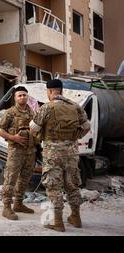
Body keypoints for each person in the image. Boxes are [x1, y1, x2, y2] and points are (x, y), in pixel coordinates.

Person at [30, 79, 90, 232]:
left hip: (52, 153)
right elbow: (86, 127)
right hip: (71, 153)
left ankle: (58, 222)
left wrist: (40, 137)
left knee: (54, 185)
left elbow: (33, 127)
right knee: (72, 184)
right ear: (61, 90)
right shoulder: (75, 106)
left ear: (50, 92)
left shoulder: (47, 107)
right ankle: (76, 217)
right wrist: (74, 137)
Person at [0, 86, 37, 220]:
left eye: (25, 95)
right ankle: (6, 207)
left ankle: (18, 203)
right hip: (16, 151)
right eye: (20, 95)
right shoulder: (10, 113)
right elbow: (0, 130)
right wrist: (13, 138)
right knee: (11, 178)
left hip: (30, 151)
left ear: (28, 97)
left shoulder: (32, 113)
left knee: (25, 178)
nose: (22, 97)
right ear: (15, 97)